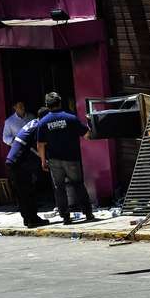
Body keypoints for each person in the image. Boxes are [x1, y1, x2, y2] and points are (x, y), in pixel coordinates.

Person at [36, 92, 95, 225]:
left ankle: (66, 217)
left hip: (54, 161)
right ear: (60, 102)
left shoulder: (43, 122)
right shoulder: (70, 118)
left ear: (47, 105)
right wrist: (90, 123)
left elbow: (40, 144)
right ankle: (88, 213)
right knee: (78, 184)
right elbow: (87, 135)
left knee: (59, 188)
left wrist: (42, 161)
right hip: (71, 159)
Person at [6, 107, 51, 228]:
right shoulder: (39, 127)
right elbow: (39, 145)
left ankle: (27, 219)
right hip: (19, 162)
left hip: (13, 161)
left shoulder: (32, 123)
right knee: (27, 191)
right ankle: (33, 219)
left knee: (22, 193)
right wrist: (44, 161)